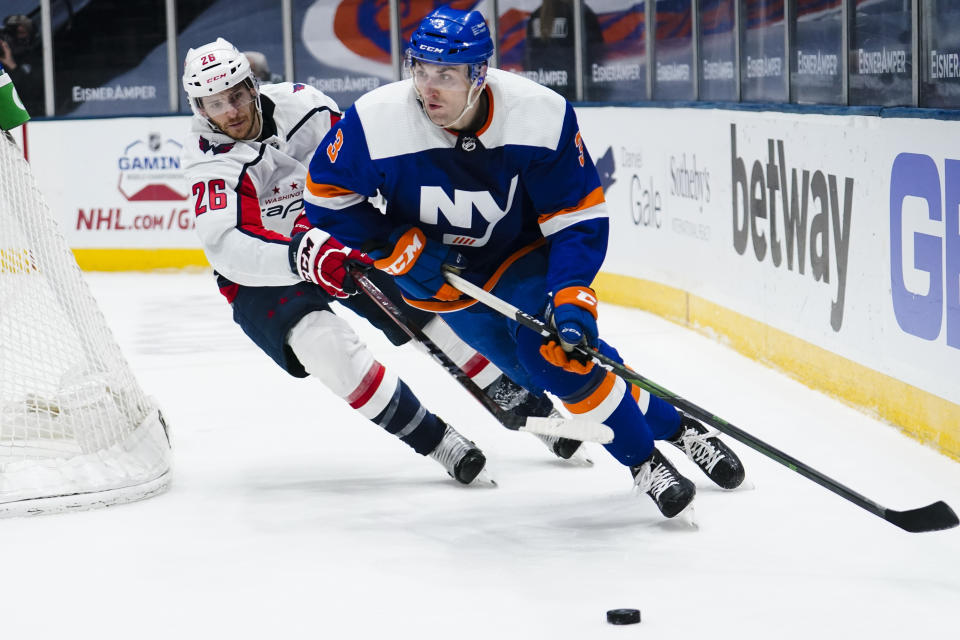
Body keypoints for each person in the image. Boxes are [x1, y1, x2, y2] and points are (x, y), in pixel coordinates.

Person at [301, 6, 746, 518]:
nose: (428, 87)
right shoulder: (376, 120)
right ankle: (678, 427)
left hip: (520, 256)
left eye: (445, 74)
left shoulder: (537, 113)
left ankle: (643, 462)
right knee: (540, 378)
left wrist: (572, 292)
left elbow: (576, 217)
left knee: (557, 356)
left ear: (479, 74)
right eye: (419, 69)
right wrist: (391, 246)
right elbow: (325, 194)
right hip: (442, 282)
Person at [180, 38, 581, 487]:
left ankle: (528, 404)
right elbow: (228, 246)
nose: (230, 111)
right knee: (323, 346)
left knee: (431, 309)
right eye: (215, 104)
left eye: (236, 95)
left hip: (335, 234)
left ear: (253, 86)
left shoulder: (306, 107)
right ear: (200, 107)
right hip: (266, 268)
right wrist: (299, 255)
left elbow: (360, 161)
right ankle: (436, 439)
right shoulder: (208, 163)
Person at [523, 0, 604, 101]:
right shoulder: (579, 13)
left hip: (544, 88)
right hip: (571, 89)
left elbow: (529, 56)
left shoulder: (536, 15)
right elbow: (594, 53)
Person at [0, 14, 43, 117]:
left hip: (27, 116)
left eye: (21, 33)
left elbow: (34, 94)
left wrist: (12, 66)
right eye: (12, 33)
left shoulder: (39, 59)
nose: (15, 37)